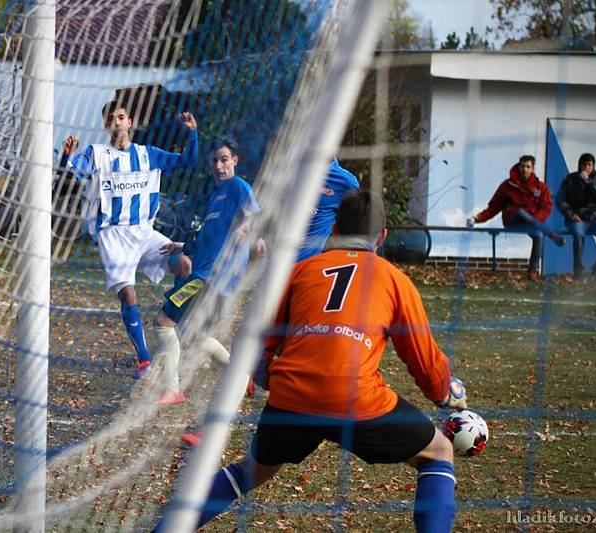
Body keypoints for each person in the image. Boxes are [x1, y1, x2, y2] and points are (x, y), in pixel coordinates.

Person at [154, 189, 468, 533]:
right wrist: (446, 394)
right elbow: (423, 358)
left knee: (249, 472)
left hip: (292, 398)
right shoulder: (395, 280)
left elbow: (260, 342)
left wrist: (279, 383)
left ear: (333, 228)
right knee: (437, 452)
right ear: (382, 236)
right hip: (358, 400)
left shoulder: (300, 270)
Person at [58, 100, 198, 379]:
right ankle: (144, 360)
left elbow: (188, 163)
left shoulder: (148, 154)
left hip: (143, 232)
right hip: (112, 233)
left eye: (121, 116)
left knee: (184, 265)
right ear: (106, 125)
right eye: (111, 117)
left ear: (130, 122)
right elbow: (70, 175)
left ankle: (173, 317)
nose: (117, 121)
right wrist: (66, 156)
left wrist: (192, 133)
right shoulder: (96, 153)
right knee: (128, 292)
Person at [153, 137, 262, 406]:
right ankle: (240, 376)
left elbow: (253, 216)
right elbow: (208, 240)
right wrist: (181, 245)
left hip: (212, 277)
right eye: (214, 160)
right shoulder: (215, 198)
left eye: (224, 159)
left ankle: (171, 389)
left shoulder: (238, 187)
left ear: (234, 161)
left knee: (164, 322)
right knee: (193, 336)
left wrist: (246, 230)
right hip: (203, 273)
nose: (218, 165)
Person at [468, 155, 564, 280]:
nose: (525, 169)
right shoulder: (507, 185)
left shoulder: (541, 187)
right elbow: (494, 207)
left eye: (528, 167)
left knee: (539, 235)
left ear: (533, 169)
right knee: (520, 212)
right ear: (518, 167)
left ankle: (532, 272)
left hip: (531, 223)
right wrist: (477, 218)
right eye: (522, 166)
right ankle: (552, 234)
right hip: (512, 221)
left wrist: (535, 219)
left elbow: (546, 207)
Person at [555, 152, 596, 277]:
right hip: (576, 219)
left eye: (589, 164)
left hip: (595, 220)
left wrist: (588, 182)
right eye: (583, 164)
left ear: (593, 166)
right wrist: (570, 214)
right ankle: (578, 271)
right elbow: (560, 200)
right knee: (578, 236)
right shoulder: (570, 179)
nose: (586, 167)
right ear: (579, 165)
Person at [296, 158, 360, 262]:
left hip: (305, 266)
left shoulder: (346, 183)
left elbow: (355, 226)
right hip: (267, 262)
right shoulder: (284, 170)